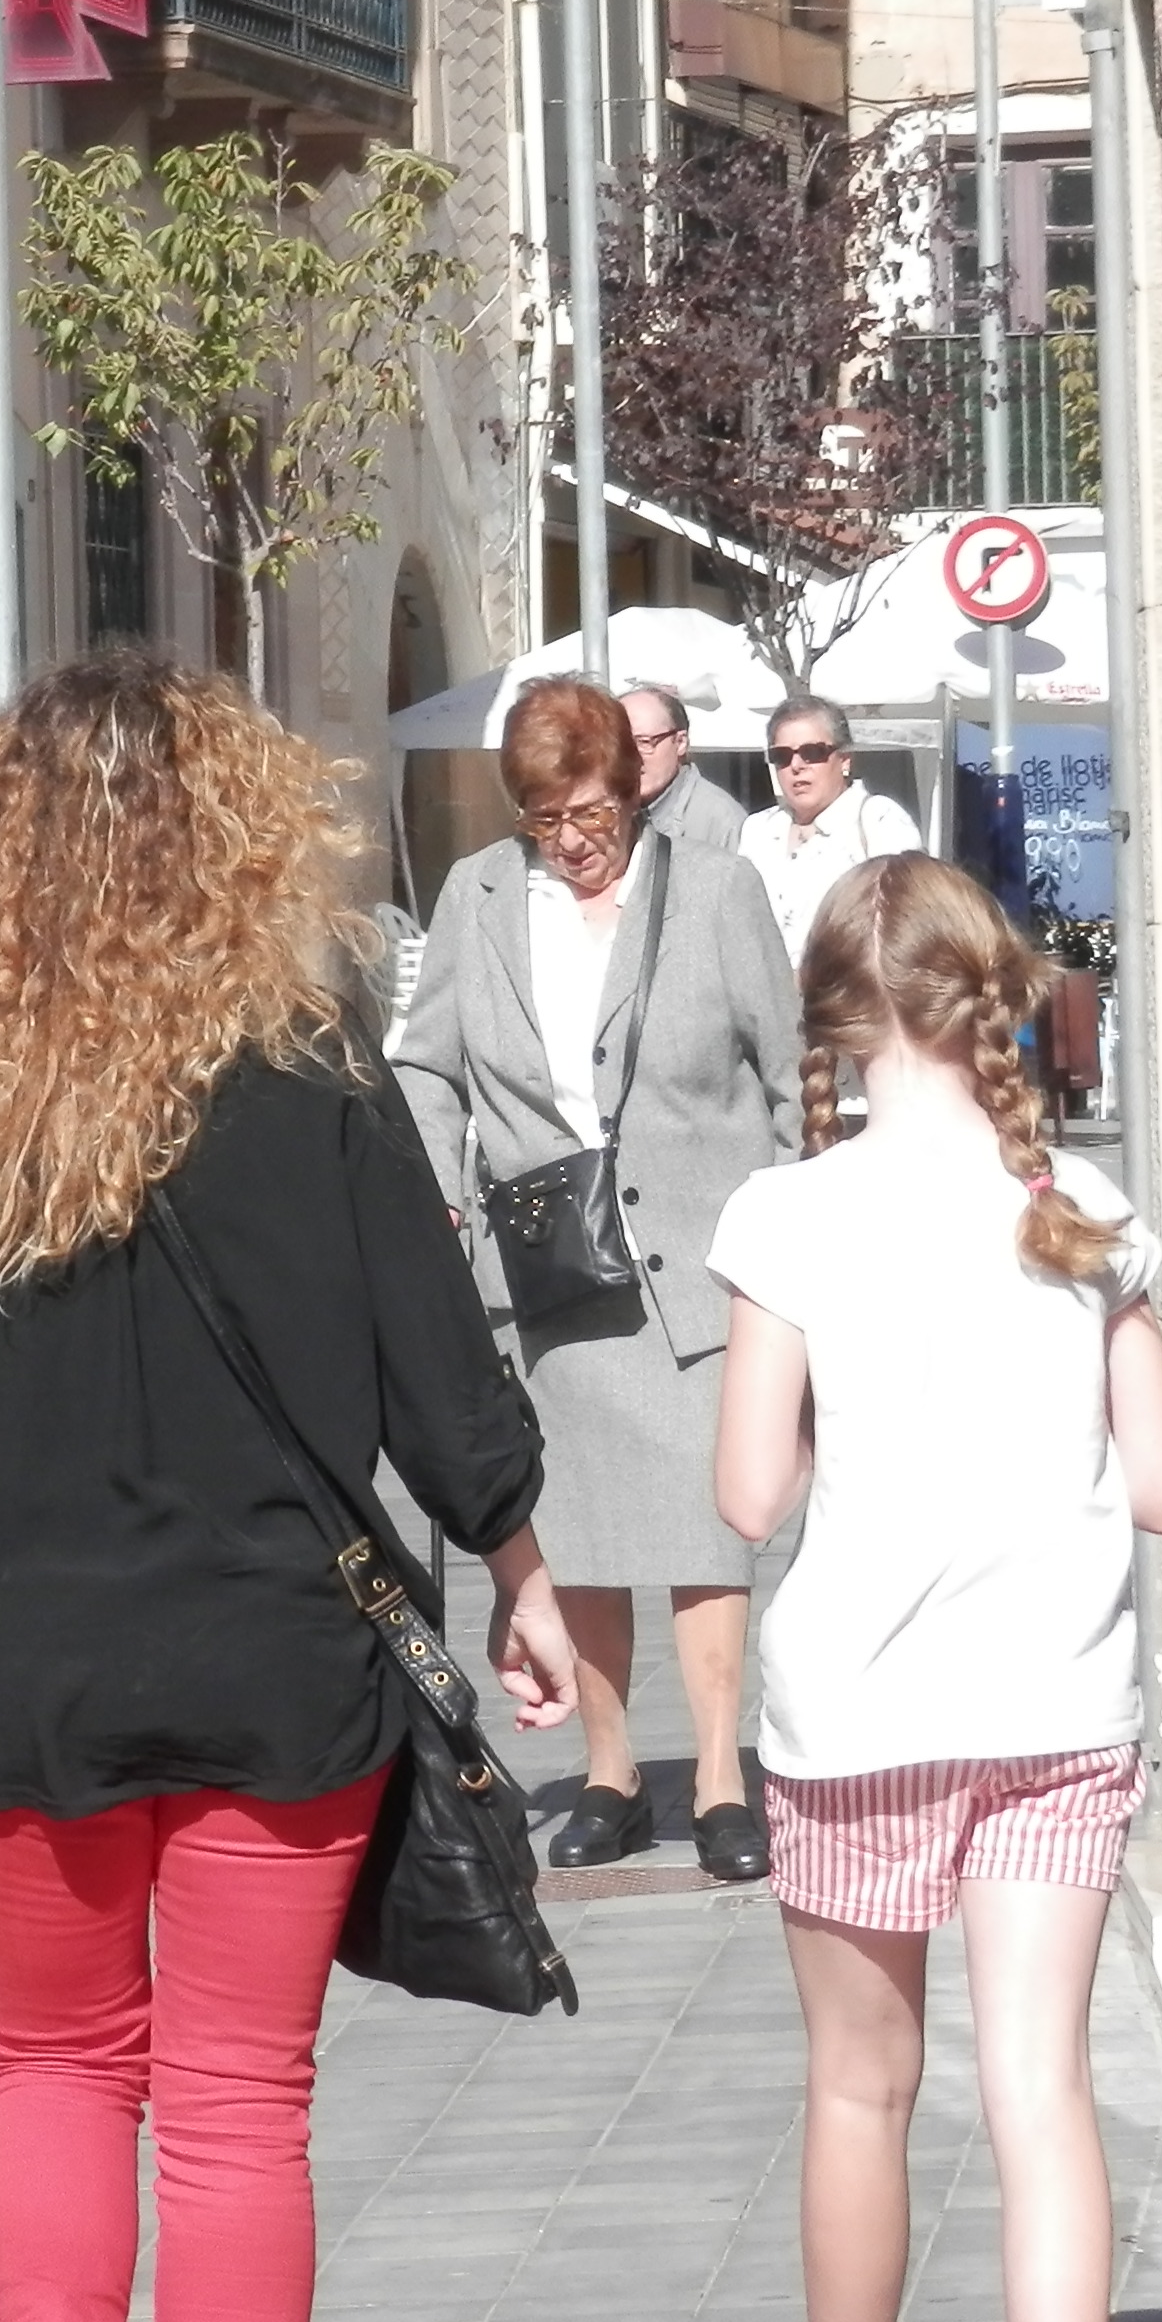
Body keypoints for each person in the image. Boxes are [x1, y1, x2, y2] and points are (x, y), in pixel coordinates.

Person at [0, 650, 579, 2322]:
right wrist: (520, 1576)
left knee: (51, 2067)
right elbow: (439, 1364)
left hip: (11, 1659)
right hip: (280, 1658)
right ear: (232, 841)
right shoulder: (320, 1068)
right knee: (238, 2093)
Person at [709, 856, 1162, 2322]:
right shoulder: (1078, 1205)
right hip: (1057, 1705)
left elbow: (747, 1494)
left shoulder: (788, 1212)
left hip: (857, 1720)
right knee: (1042, 2091)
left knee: (864, 2088)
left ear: (840, 1022)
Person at [390, 676, 801, 1882]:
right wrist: (439, 1197)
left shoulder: (715, 889)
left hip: (698, 1259)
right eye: (543, 818)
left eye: (590, 814)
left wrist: (786, 1235)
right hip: (541, 1261)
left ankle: (722, 1778)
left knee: (703, 1527)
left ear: (634, 789)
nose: (570, 841)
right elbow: (426, 1067)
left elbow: (785, 1075)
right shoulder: (475, 896)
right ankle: (614, 1773)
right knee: (576, 1532)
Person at [738, 696, 922, 965]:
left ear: (844, 760)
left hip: (845, 997)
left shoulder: (881, 820)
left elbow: (906, 924)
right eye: (782, 756)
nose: (797, 766)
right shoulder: (757, 830)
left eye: (812, 753)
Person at [628, 681, 747, 854]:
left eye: (644, 743)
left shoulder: (722, 822)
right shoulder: (607, 812)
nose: (631, 756)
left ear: (681, 742)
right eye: (621, 743)